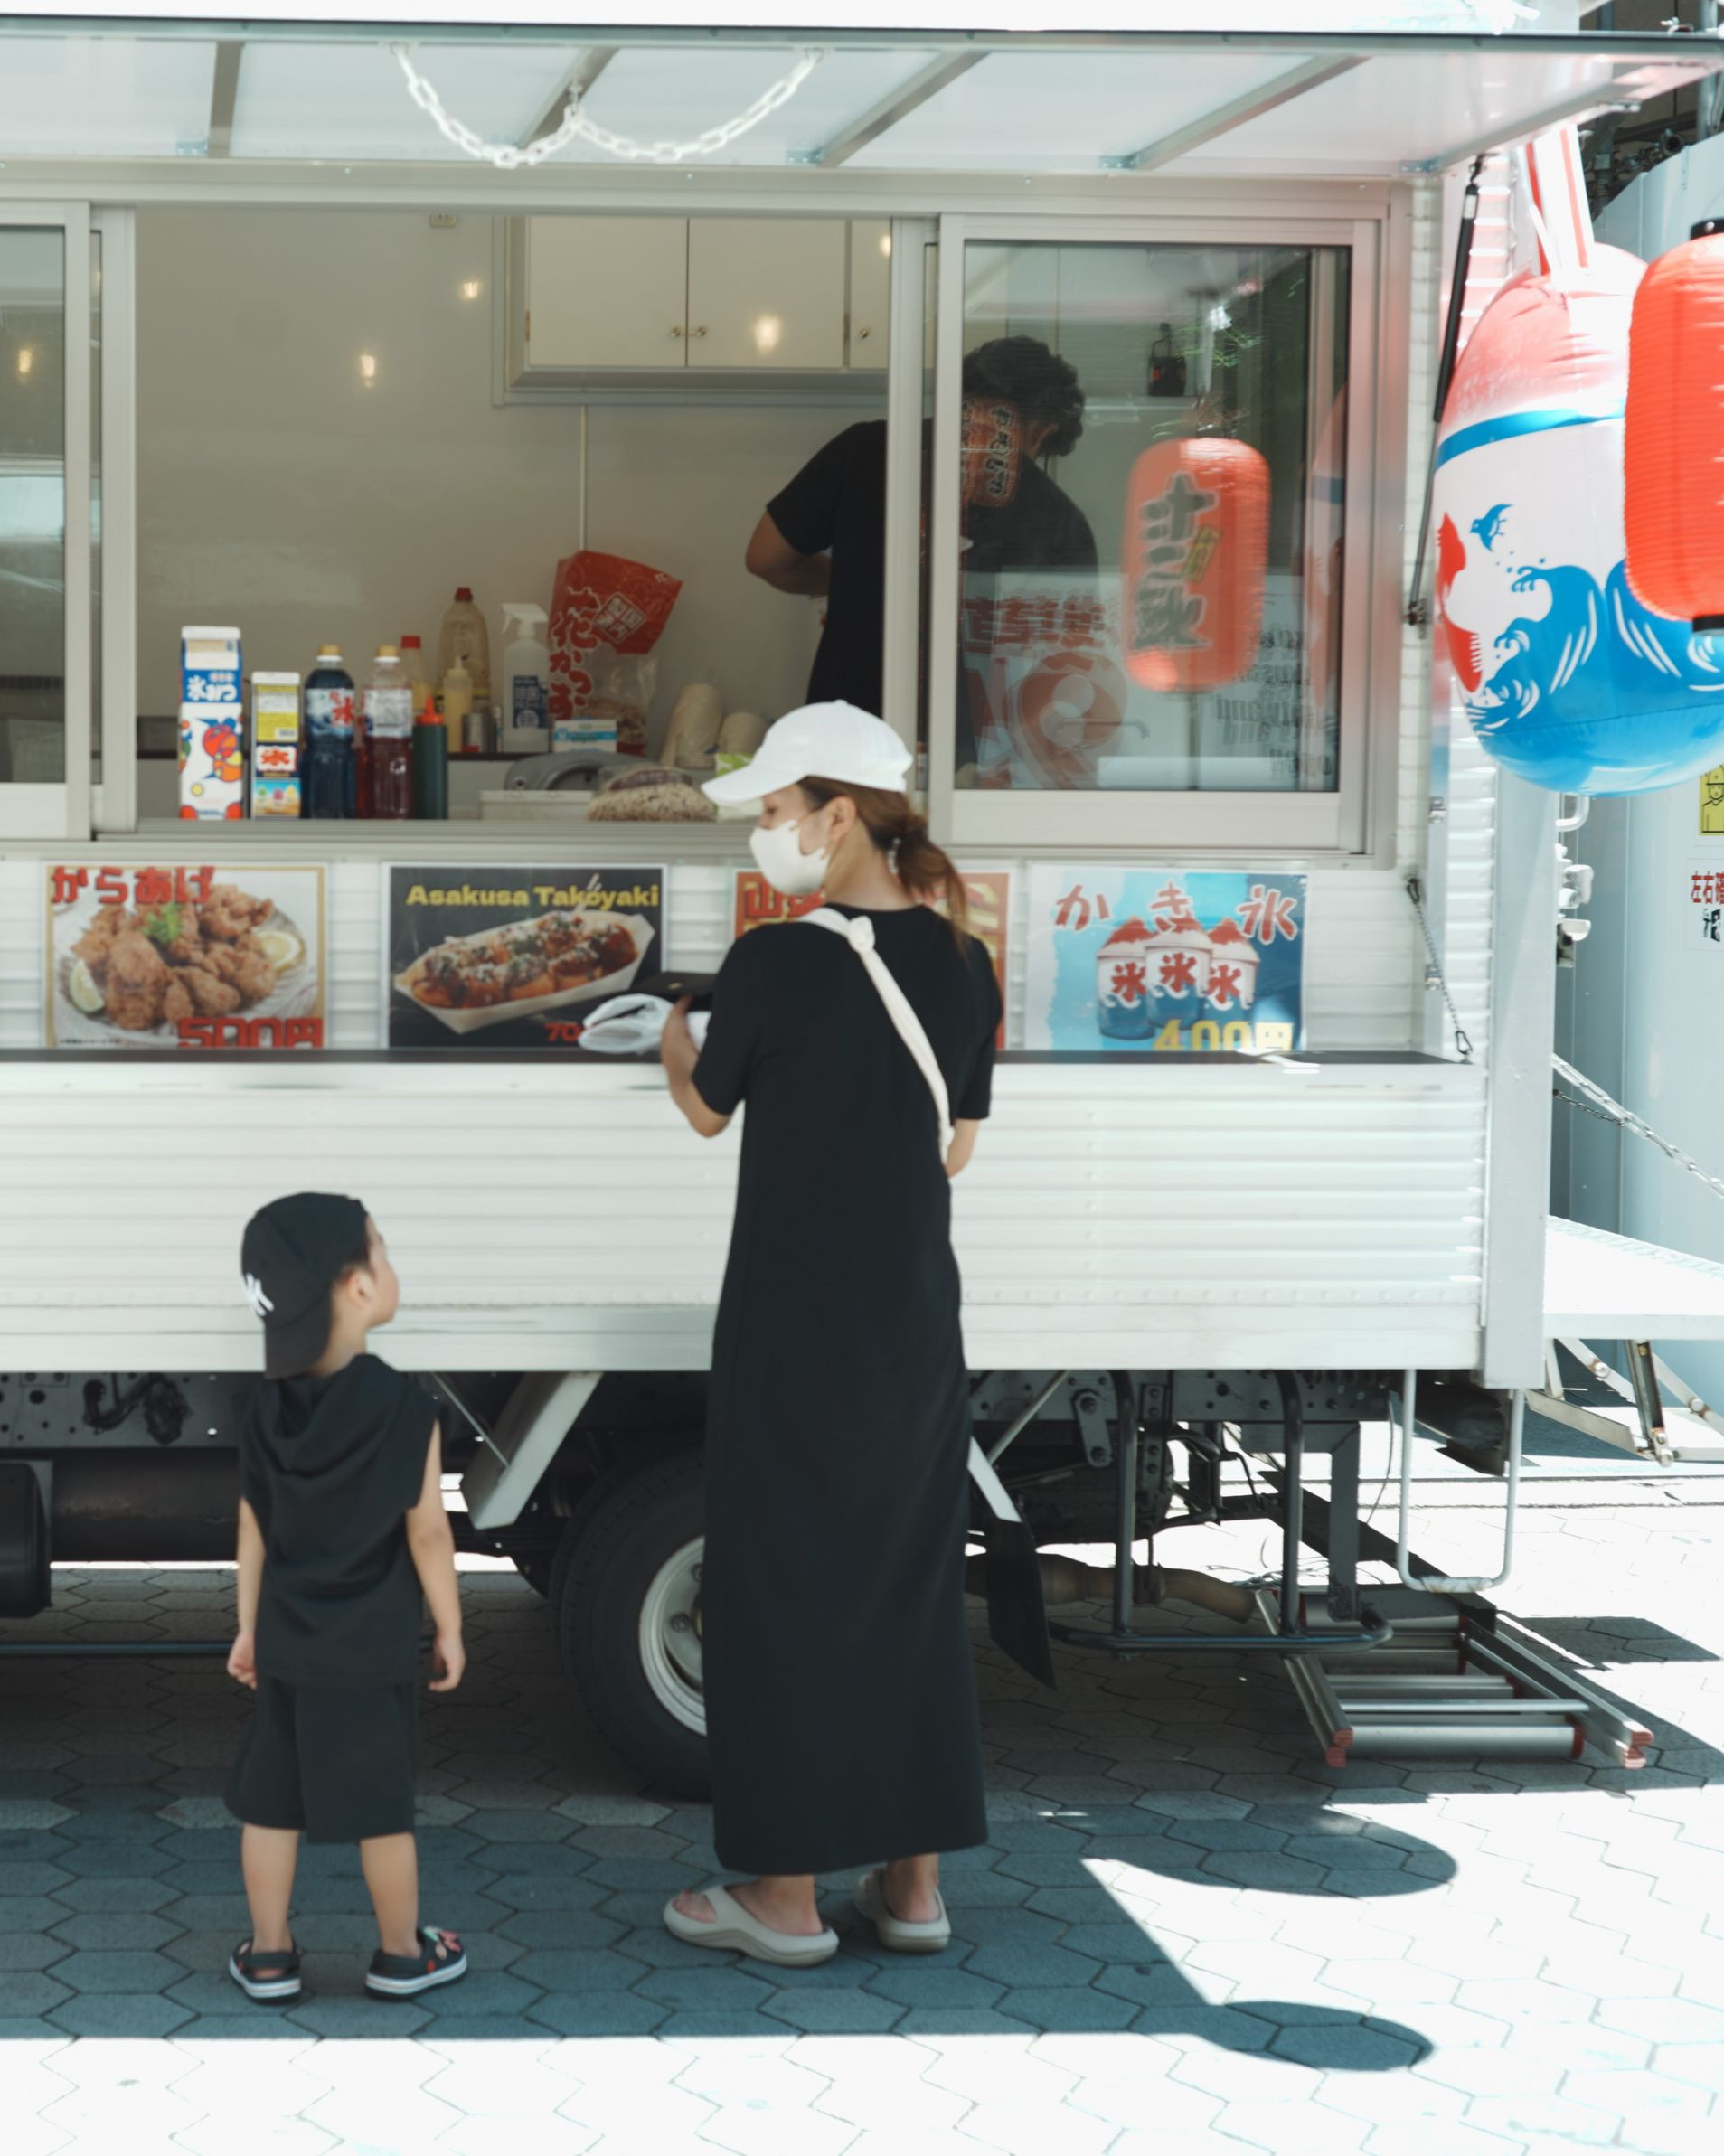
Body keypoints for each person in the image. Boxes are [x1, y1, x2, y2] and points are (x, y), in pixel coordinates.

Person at [653, 701, 1001, 1967]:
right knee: (905, 1582)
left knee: (783, 1584)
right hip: (912, 1319)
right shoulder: (965, 961)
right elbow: (956, 1145)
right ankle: (911, 1890)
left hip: (792, 1321)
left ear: (836, 816)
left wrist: (670, 1042)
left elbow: (707, 1113)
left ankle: (786, 1897)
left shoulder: (775, 961)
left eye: (773, 810)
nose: (764, 832)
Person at [222, 1192, 471, 2003]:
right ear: (358, 1286)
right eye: (382, 1250)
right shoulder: (406, 1407)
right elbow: (428, 1532)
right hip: (372, 1649)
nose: (389, 1264)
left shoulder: (262, 1409)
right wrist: (450, 1626)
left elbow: (253, 1528)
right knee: (381, 1811)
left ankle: (269, 1954)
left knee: (271, 1805)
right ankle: (401, 1952)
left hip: (288, 1642)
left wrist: (247, 1628)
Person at [747, 335, 1098, 721]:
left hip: (848, 726)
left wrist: (859, 581)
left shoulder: (862, 448)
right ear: (1042, 432)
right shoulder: (1061, 518)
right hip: (973, 742)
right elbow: (1066, 665)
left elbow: (766, 559)